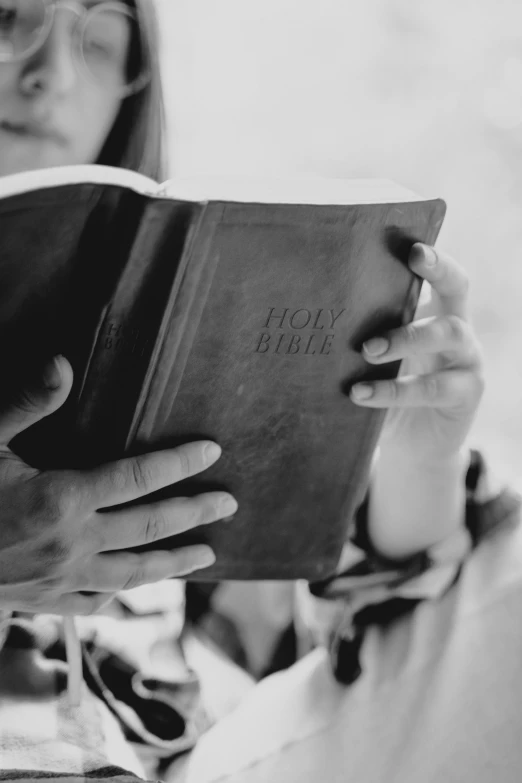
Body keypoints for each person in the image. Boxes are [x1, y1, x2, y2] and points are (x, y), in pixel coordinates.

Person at [0, 1, 495, 782]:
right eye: (5, 20)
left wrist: (412, 459)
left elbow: (383, 673)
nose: (51, 75)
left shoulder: (176, 324)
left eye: (98, 40)